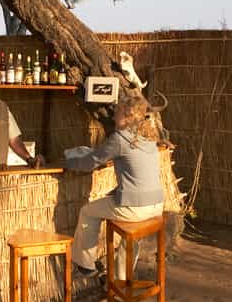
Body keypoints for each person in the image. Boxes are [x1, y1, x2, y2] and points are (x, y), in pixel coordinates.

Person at [66, 97, 164, 280]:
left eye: (117, 112)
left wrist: (68, 161)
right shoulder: (150, 138)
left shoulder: (120, 139)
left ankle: (85, 265)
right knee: (130, 235)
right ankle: (120, 281)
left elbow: (90, 162)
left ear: (127, 117)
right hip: (156, 205)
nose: (113, 117)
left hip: (135, 208)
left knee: (87, 212)